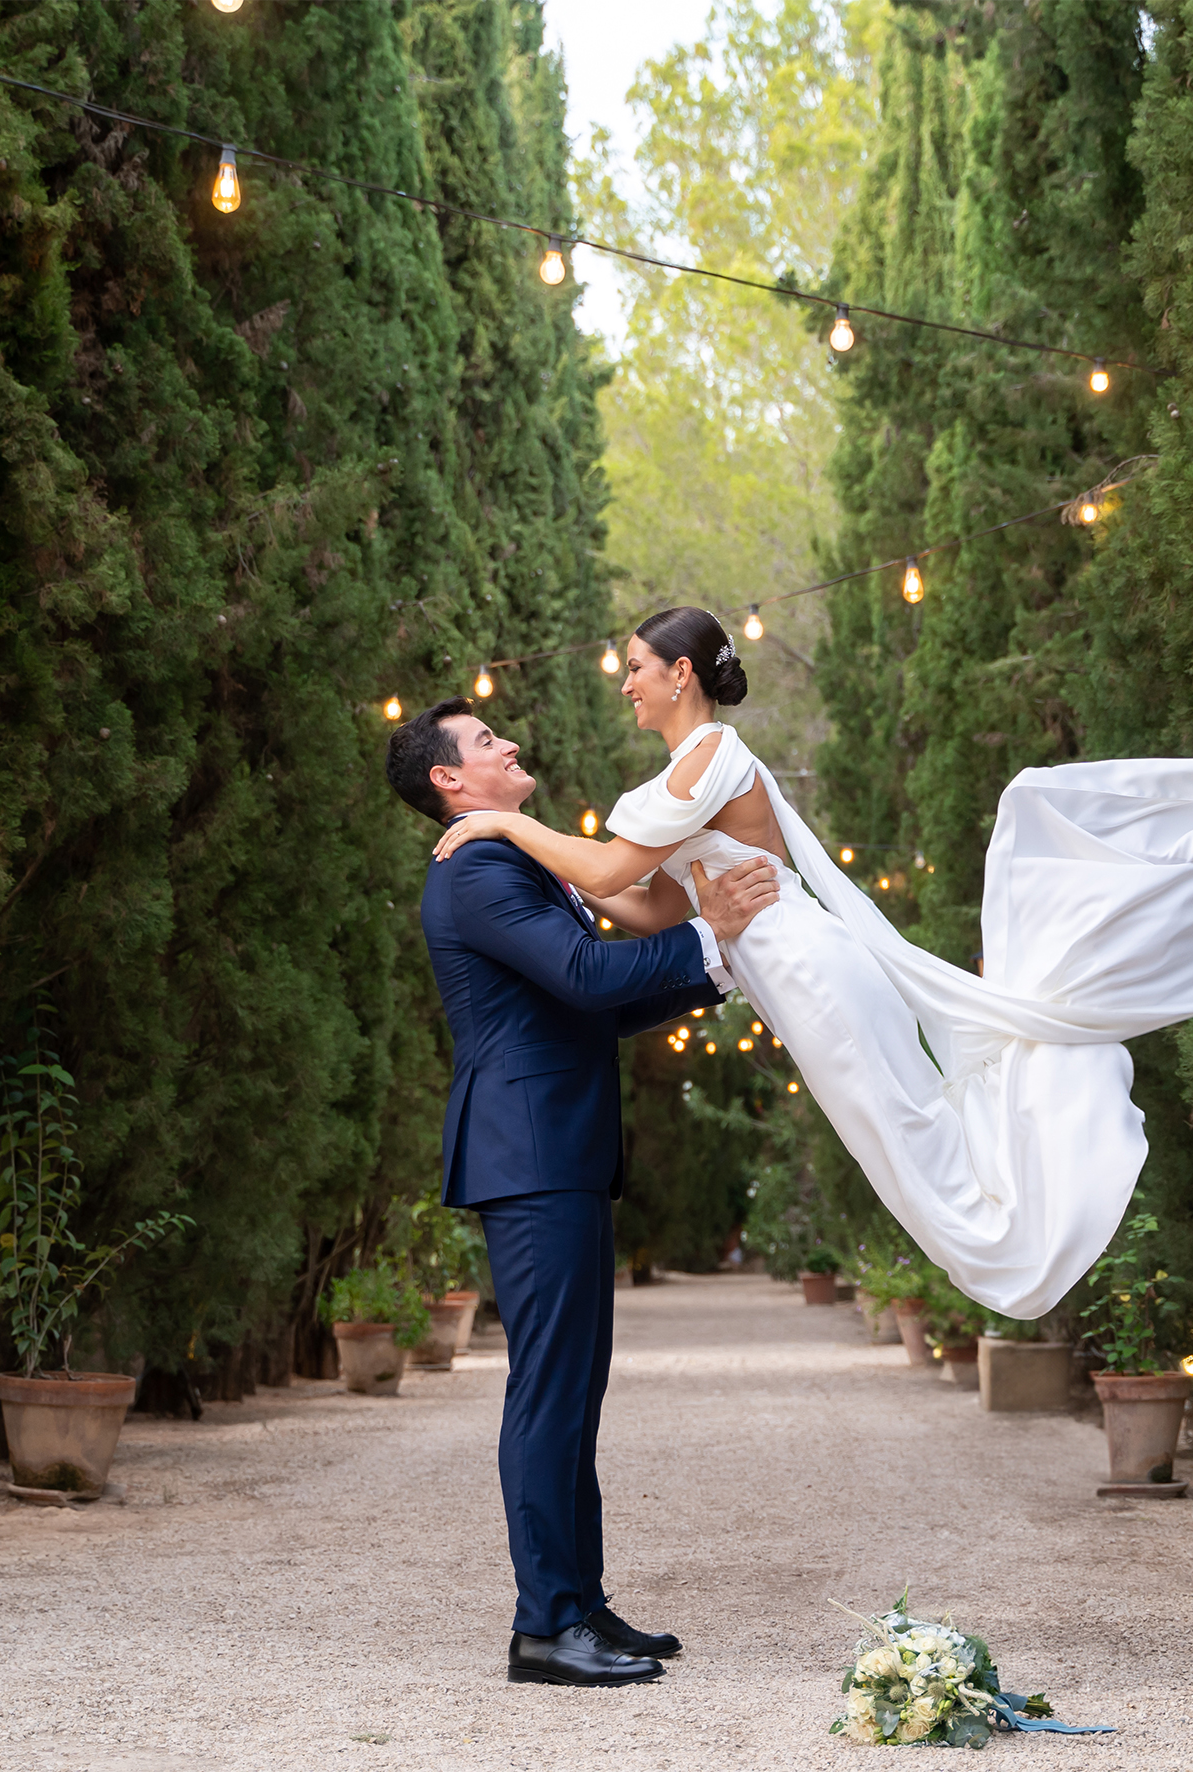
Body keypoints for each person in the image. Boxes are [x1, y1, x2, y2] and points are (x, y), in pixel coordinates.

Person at [431, 607, 1193, 1320]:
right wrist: (570, 877)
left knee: (922, 1147)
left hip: (805, 968)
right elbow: (649, 896)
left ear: (679, 674)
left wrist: (501, 832)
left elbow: (615, 862)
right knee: (917, 1144)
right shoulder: (685, 770)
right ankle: (1025, 1198)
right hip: (785, 969)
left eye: (632, 669)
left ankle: (1040, 1206)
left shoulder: (706, 755)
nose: (623, 686)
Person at [387, 696, 780, 1687]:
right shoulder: (475, 865)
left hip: (554, 1150)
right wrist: (702, 937)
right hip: (527, 1153)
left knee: (574, 1388)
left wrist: (716, 958)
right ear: (448, 780)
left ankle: (581, 1602)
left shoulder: (515, 862)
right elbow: (581, 971)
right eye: (483, 741)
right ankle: (542, 1626)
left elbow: (586, 1001)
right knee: (549, 1390)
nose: (509, 741)